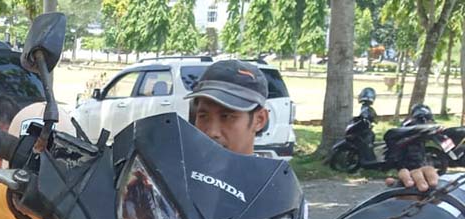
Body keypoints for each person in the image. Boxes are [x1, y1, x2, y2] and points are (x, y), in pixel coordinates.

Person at [186, 59, 437, 190]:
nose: (210, 131)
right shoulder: (174, 179)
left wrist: (410, 196)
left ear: (259, 119)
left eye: (228, 116)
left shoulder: (279, 192)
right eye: (203, 115)